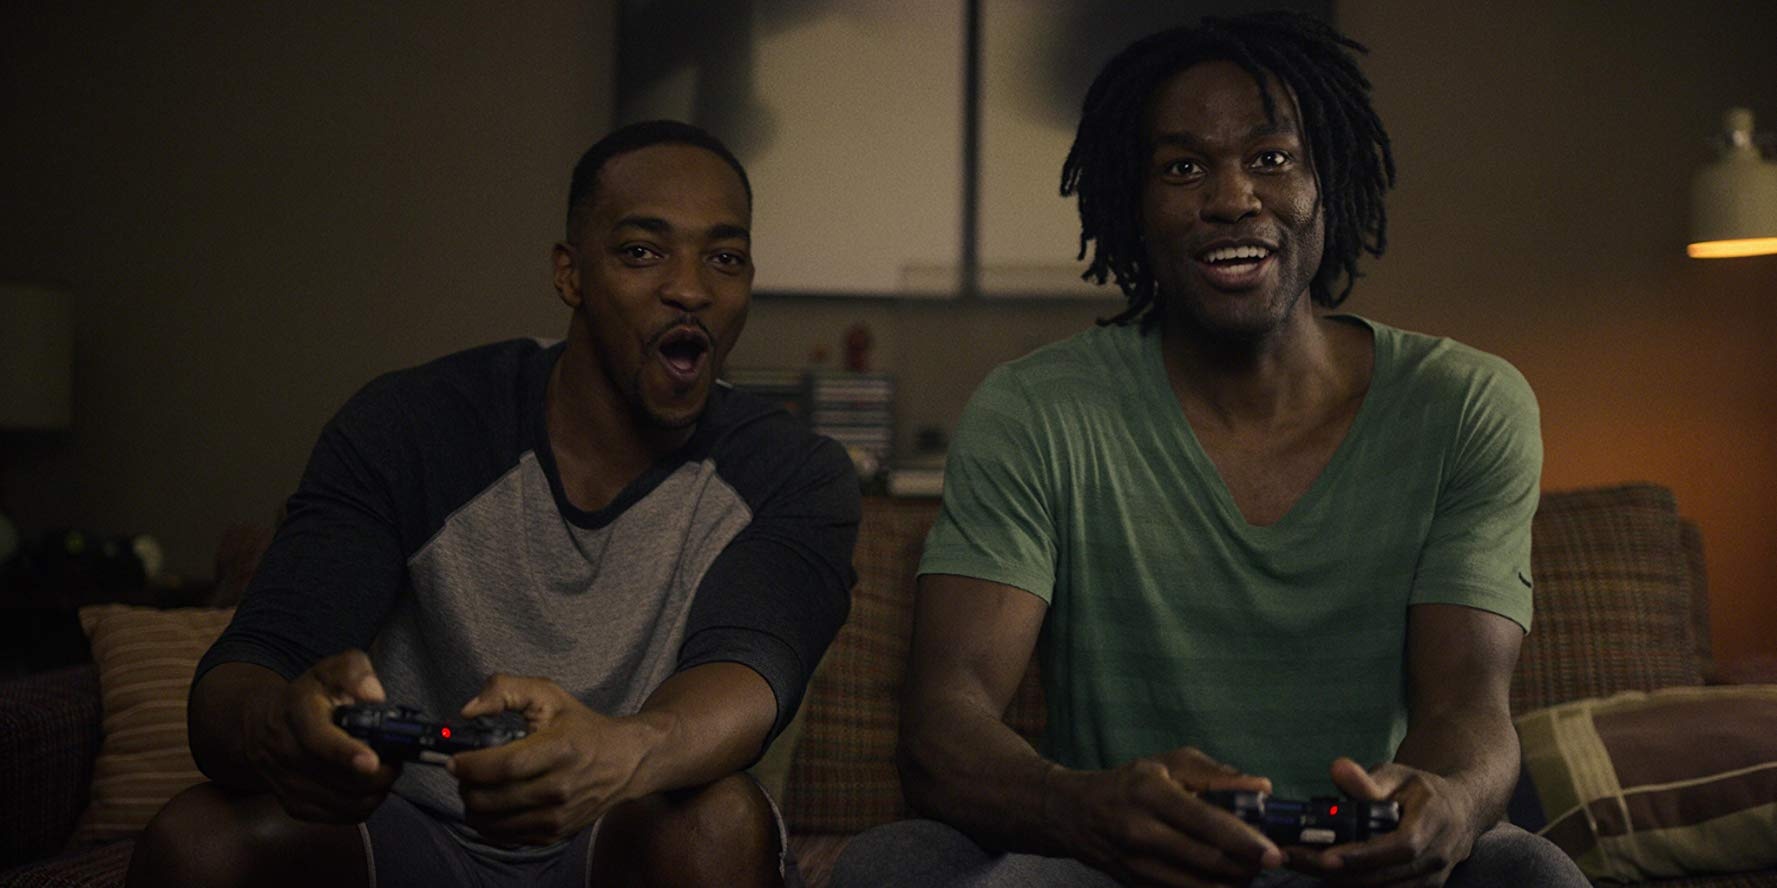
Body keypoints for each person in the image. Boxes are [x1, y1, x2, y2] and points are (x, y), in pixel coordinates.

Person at [835, 12, 1587, 888]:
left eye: (1271, 157)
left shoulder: (1462, 403)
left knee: (1528, 869)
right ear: (1133, 202)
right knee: (894, 864)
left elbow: (1468, 702)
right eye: (1182, 167)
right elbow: (943, 720)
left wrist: (1446, 805)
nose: (1231, 198)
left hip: (1358, 866)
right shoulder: (1036, 408)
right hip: (1112, 863)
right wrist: (1080, 806)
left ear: (1327, 180)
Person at [127, 120, 860, 888]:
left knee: (719, 824)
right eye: (642, 252)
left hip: (619, 828)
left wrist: (618, 751)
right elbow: (244, 677)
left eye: (724, 259)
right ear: (570, 275)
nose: (691, 288)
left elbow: (748, 670)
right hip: (403, 826)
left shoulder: (792, 471)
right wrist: (279, 728)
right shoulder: (412, 427)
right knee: (199, 840)